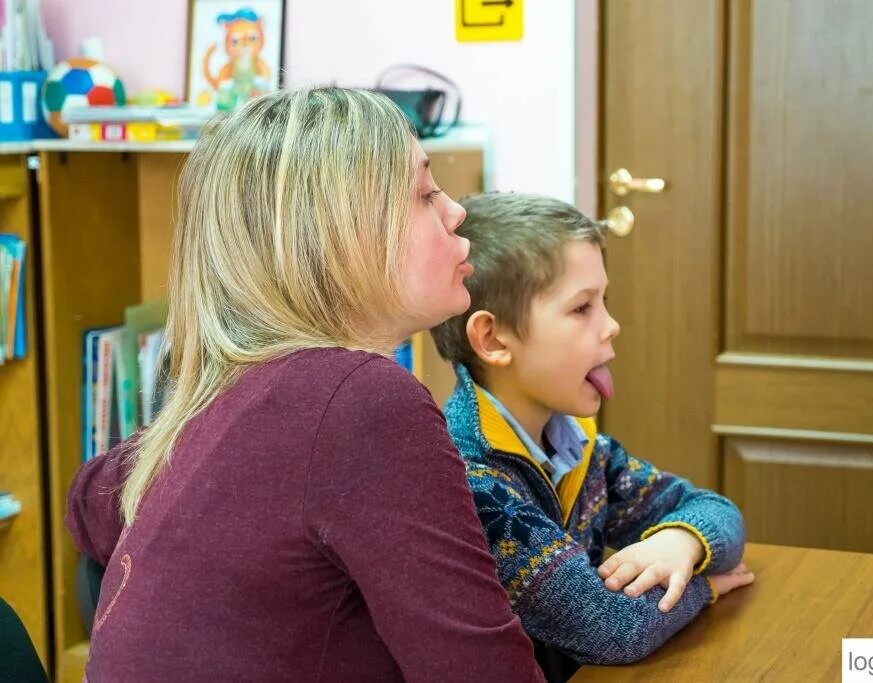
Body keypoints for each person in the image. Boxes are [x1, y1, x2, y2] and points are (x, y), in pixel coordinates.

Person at [66, 88, 544, 682]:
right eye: (425, 194)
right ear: (336, 236)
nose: (456, 211)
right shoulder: (361, 400)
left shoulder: (235, 388)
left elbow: (88, 497)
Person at [430, 193, 754, 676]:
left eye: (604, 301)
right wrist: (705, 586)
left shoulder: (578, 447)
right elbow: (611, 629)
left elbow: (717, 512)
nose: (612, 326)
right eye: (582, 308)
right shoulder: (471, 479)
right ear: (493, 340)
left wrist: (682, 542)